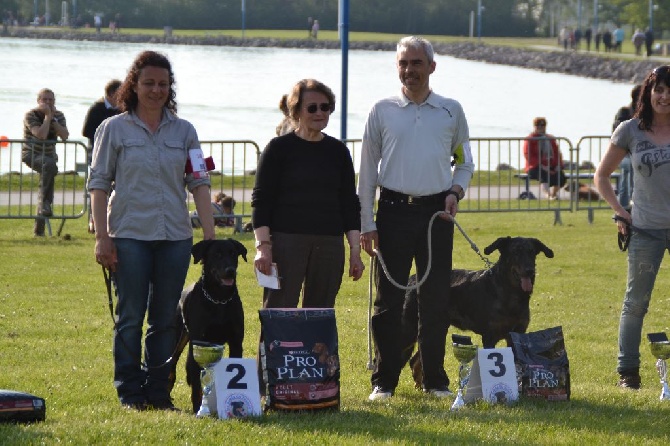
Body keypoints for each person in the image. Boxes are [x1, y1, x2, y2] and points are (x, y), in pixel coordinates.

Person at [88, 50, 215, 411]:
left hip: (175, 237)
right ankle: (129, 391)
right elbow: (98, 184)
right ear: (134, 85)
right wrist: (102, 236)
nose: (156, 90)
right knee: (130, 317)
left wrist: (209, 235)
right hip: (128, 235)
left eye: (162, 84)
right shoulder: (113, 128)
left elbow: (200, 182)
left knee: (165, 320)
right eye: (148, 83)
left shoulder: (185, 130)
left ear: (169, 87)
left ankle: (158, 391)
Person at [358, 36, 474, 401]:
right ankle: (384, 380)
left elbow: (465, 162)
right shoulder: (381, 110)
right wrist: (367, 223)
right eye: (403, 64)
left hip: (436, 215)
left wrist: (455, 192)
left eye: (416, 63)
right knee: (389, 301)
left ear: (432, 67)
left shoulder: (451, 111)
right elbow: (366, 172)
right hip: (391, 213)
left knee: (435, 299)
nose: (409, 70)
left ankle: (435, 379)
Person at [252, 78, 364, 311]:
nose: (320, 113)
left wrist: (355, 252)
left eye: (325, 107)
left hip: (329, 244)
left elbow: (349, 204)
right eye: (312, 108)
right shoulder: (278, 149)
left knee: (319, 314)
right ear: (296, 111)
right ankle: (274, 350)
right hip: (285, 242)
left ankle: (319, 350)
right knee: (278, 311)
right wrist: (263, 247)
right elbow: (261, 201)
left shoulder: (339, 152)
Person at [594, 65, 670, 390]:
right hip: (645, 230)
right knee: (635, 302)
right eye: (659, 90)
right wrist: (620, 212)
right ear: (648, 92)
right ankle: (628, 372)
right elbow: (601, 176)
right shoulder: (630, 130)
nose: (665, 97)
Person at [22, 88, 69, 236]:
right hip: (31, 154)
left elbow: (65, 135)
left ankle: (39, 229)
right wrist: (47, 117)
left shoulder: (59, 115)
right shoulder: (31, 115)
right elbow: (40, 134)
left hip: (49, 158)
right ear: (38, 101)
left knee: (46, 180)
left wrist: (53, 119)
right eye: (45, 100)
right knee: (49, 166)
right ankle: (45, 206)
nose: (48, 103)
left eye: (51, 100)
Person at [82, 79, 122, 233]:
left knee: (115, 188)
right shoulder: (97, 108)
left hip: (116, 153)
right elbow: (86, 131)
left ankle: (112, 220)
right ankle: (94, 222)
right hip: (97, 151)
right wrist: (105, 137)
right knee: (98, 186)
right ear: (111, 94)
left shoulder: (122, 110)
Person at [612, 84, 642, 211]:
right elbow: (618, 134)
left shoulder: (646, 114)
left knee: (625, 179)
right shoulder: (625, 113)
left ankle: (624, 206)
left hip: (635, 152)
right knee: (630, 168)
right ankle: (629, 204)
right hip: (624, 153)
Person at [523, 117, 566, 200]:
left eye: (542, 126)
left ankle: (554, 194)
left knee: (560, 176)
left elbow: (557, 153)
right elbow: (528, 155)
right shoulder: (530, 139)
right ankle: (548, 195)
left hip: (550, 164)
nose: (540, 128)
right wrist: (541, 165)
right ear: (534, 127)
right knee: (544, 175)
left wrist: (558, 165)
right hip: (535, 166)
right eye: (538, 126)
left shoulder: (551, 138)